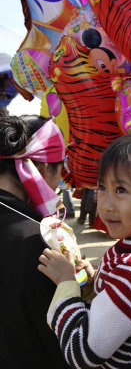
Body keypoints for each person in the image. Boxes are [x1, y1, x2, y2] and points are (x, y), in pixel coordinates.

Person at [38, 132, 131, 368]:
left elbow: (82, 353)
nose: (105, 204)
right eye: (102, 187)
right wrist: (95, 281)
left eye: (120, 190)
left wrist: (65, 282)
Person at [0, 115, 71, 369]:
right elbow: (62, 343)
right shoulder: (37, 241)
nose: (57, 186)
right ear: (41, 169)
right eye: (60, 174)